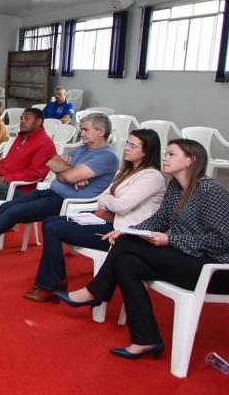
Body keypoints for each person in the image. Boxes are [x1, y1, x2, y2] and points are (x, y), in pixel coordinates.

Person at [56, 139, 229, 360]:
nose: (165, 158)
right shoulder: (176, 187)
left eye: (172, 154)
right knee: (126, 262)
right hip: (193, 259)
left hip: (222, 270)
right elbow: (160, 219)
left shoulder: (210, 190)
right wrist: (128, 230)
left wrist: (171, 240)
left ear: (191, 160)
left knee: (128, 245)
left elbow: (225, 240)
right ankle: (146, 339)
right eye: (165, 153)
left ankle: (95, 291)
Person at [0, 113, 118, 261]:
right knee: (6, 206)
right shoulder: (83, 149)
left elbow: (68, 174)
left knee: (12, 212)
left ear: (101, 131)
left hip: (67, 202)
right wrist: (68, 173)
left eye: (86, 129)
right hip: (51, 192)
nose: (82, 133)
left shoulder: (107, 156)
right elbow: (52, 161)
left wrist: (68, 173)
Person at [23, 129, 165, 303]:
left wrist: (109, 201)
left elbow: (121, 205)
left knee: (53, 227)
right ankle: (56, 279)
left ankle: (48, 285)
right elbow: (101, 200)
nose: (126, 148)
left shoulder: (152, 176)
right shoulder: (124, 173)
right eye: (127, 143)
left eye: (132, 145)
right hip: (109, 223)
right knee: (50, 221)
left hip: (124, 234)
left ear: (146, 150)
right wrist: (109, 201)